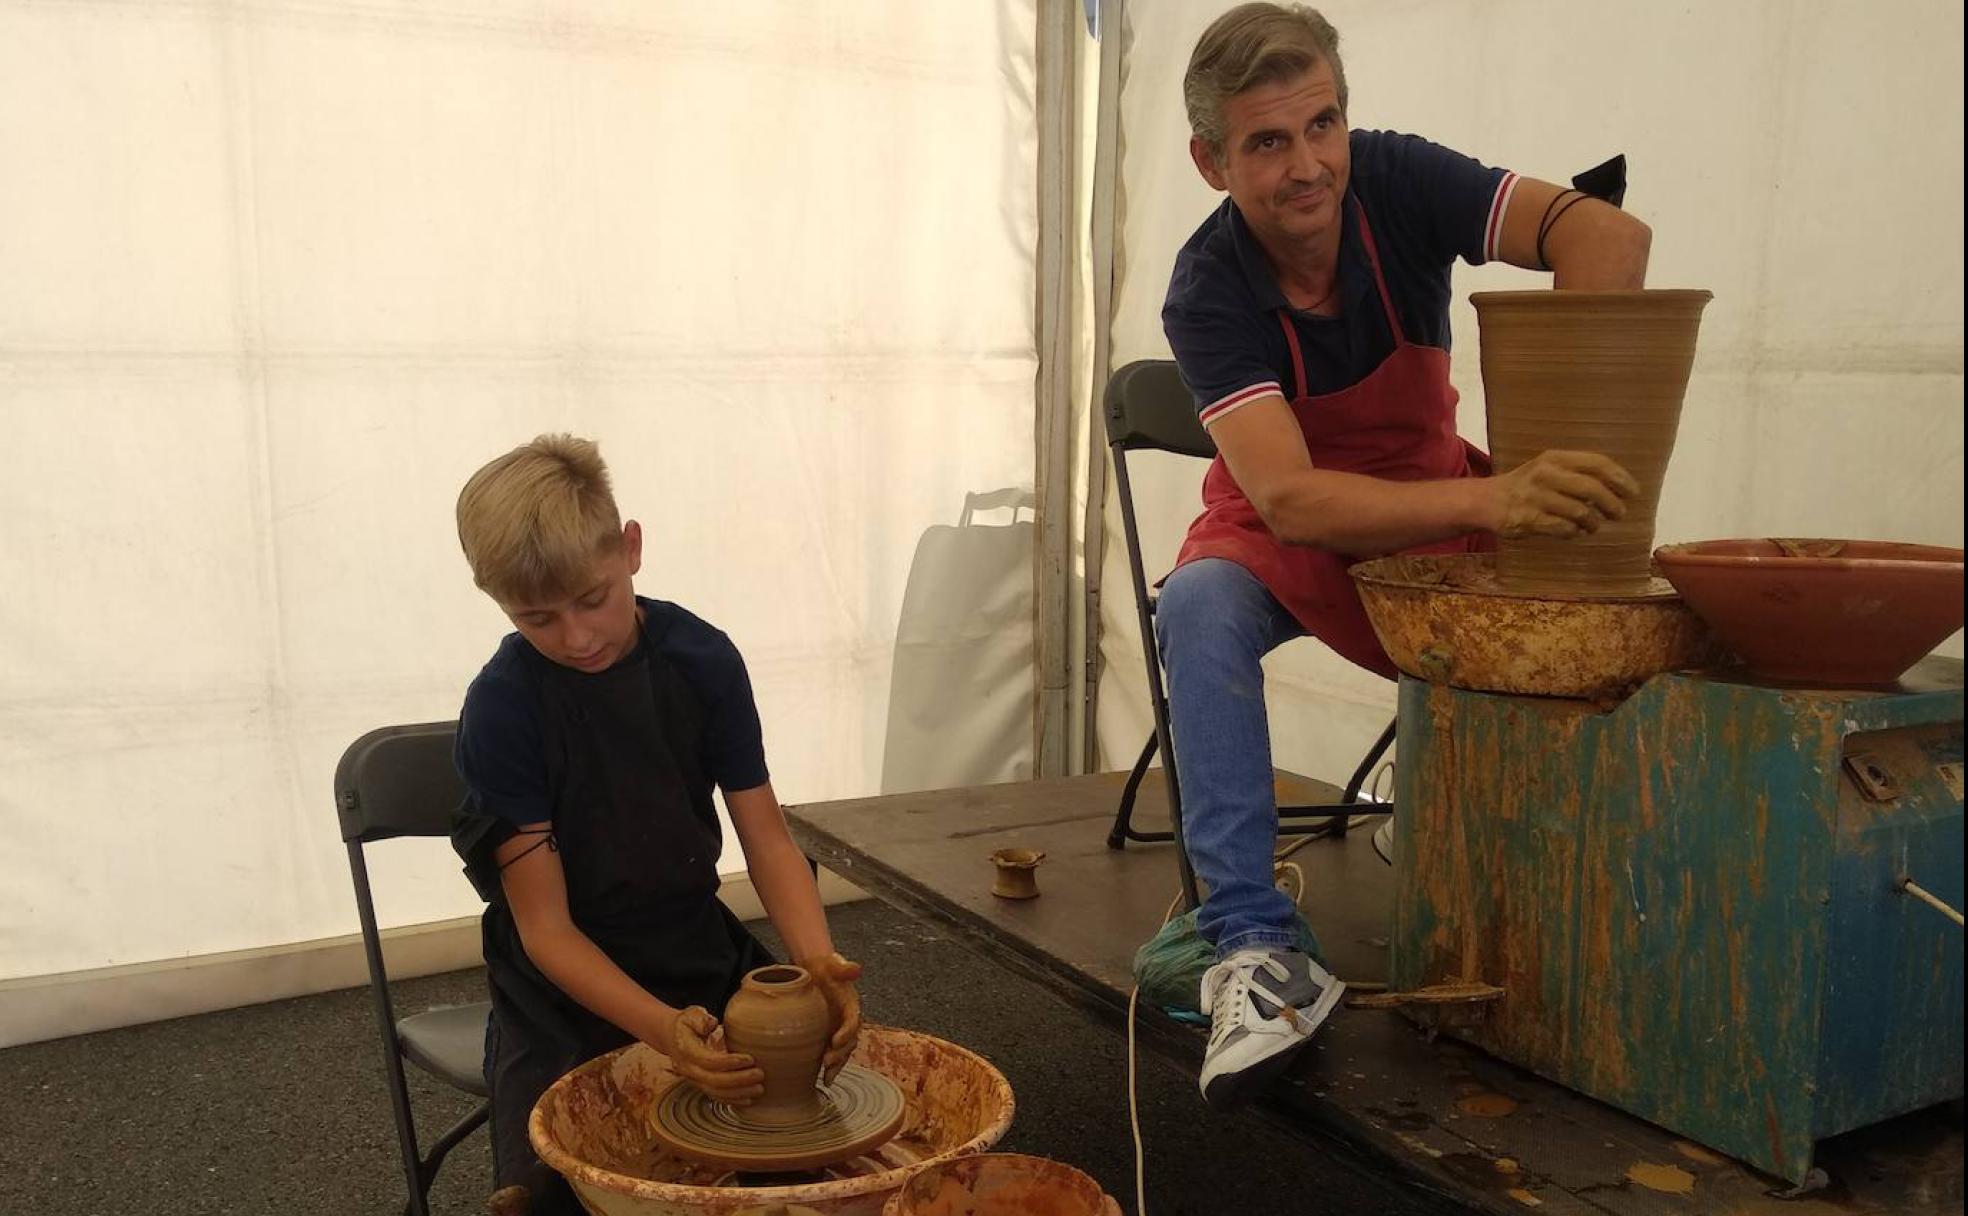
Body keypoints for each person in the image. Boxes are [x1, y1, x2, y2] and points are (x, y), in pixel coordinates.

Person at [1159, 3, 1652, 1109]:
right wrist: (1504, 490)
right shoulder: (1207, 287)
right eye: (1268, 142)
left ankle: (1556, 916)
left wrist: (1555, 456)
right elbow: (1286, 498)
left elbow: (1607, 238)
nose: (1308, 165)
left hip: (1438, 492)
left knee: (1604, 617)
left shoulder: (1400, 178)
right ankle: (1252, 946)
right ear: (1211, 161)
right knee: (1195, 604)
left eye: (1322, 123)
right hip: (1286, 524)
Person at [449, 435, 864, 1214]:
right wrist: (662, 1032)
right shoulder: (504, 708)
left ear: (630, 549)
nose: (576, 637)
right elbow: (546, 929)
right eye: (538, 617)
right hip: (561, 982)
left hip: (690, 940)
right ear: (499, 603)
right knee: (561, 1181)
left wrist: (819, 963)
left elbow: (767, 839)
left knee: (810, 1148)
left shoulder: (701, 660)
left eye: (593, 598)